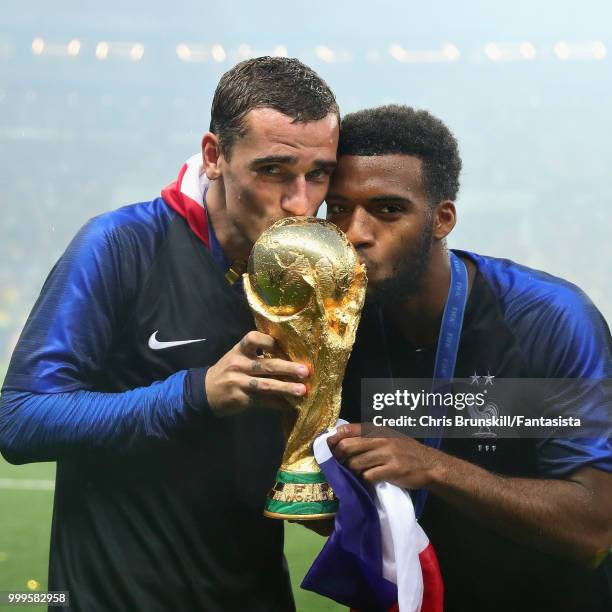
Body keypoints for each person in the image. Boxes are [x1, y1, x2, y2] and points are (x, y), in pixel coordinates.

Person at [0, 56, 339, 612]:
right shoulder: (120, 246)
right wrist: (194, 393)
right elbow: (20, 419)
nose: (300, 202)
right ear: (214, 156)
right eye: (273, 170)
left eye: (318, 174)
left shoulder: (316, 279)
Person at [324, 105, 612, 612]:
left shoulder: (546, 320)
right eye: (339, 210)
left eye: (388, 210)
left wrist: (434, 466)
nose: (355, 233)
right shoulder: (334, 326)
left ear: (442, 218)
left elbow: (594, 528)